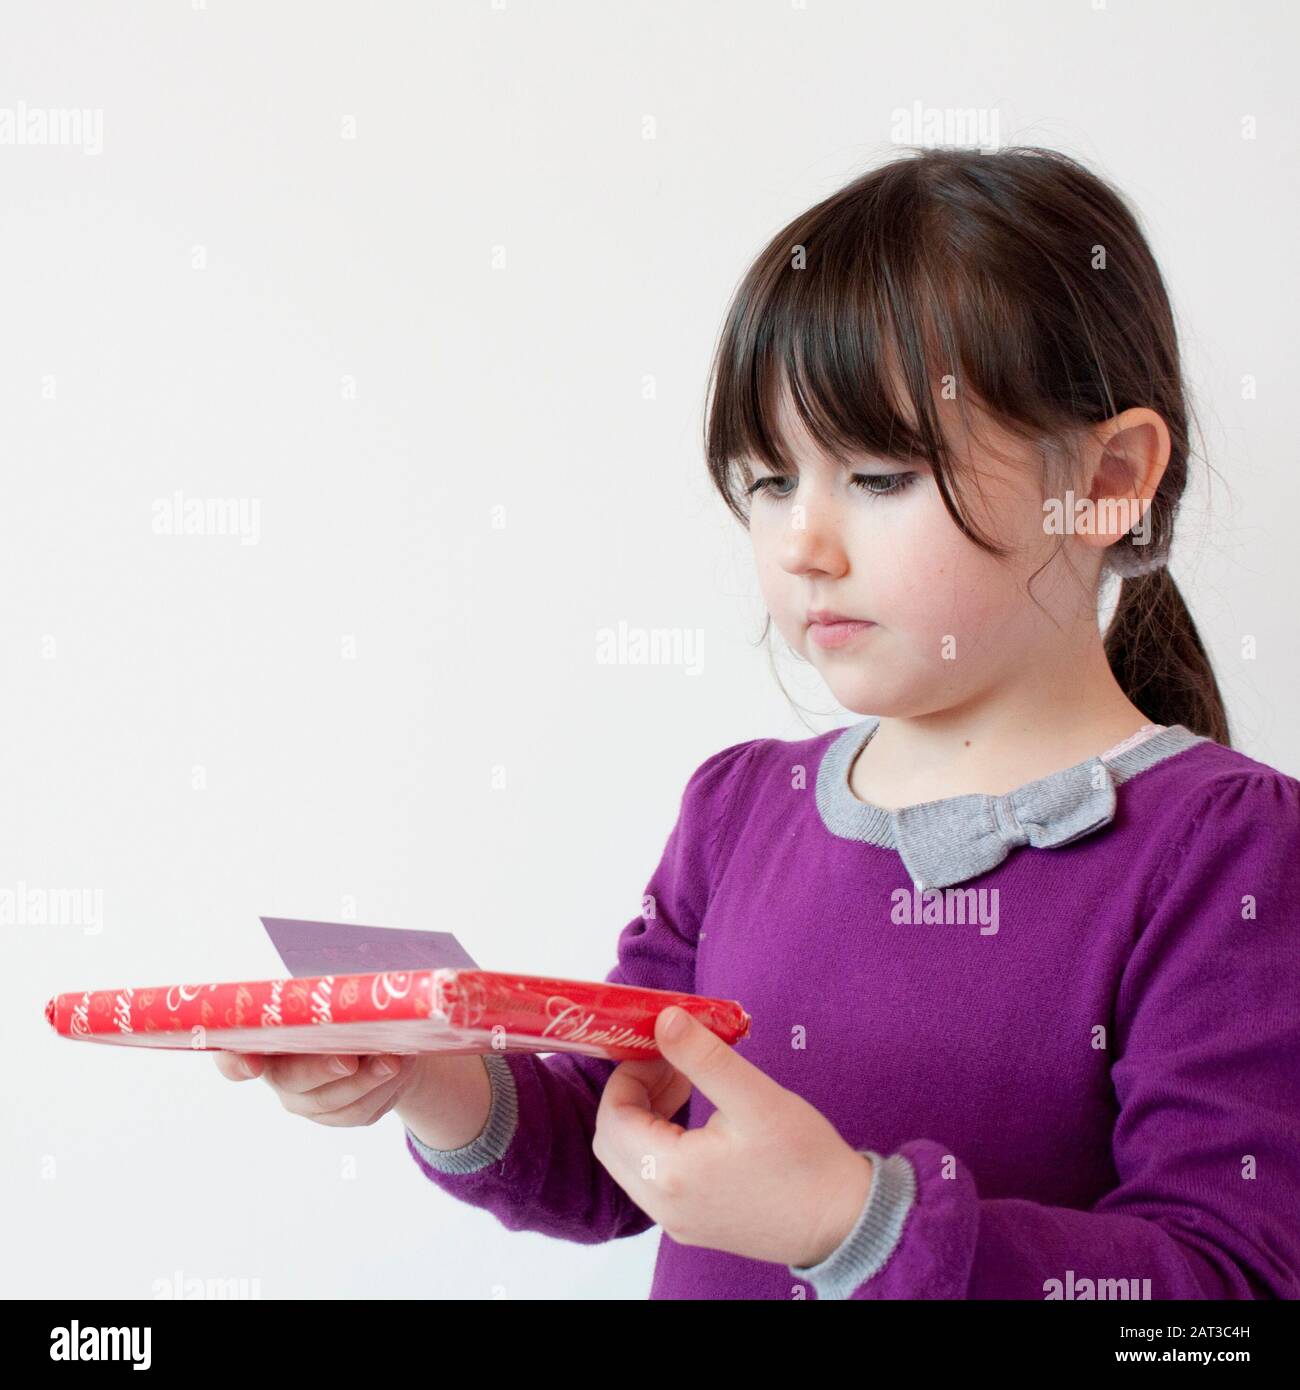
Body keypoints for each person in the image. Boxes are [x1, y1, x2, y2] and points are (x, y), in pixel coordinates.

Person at [217, 147, 1300, 1300]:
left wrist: (857, 1223)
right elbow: (621, 1137)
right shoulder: (739, 810)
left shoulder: (1225, 849)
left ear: (1109, 477)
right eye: (769, 481)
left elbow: (1228, 1289)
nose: (800, 545)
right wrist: (426, 1072)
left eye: (879, 476)